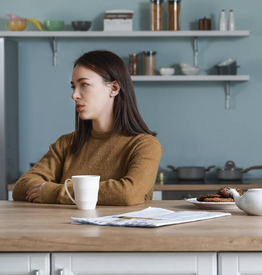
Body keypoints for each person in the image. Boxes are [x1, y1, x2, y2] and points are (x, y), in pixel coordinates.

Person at [13, 50, 163, 206]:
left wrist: (53, 192)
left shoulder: (145, 145)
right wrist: (104, 190)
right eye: (74, 87)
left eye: (84, 84)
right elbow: (22, 187)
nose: (75, 95)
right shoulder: (66, 143)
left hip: (120, 230)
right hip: (67, 229)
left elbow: (127, 193)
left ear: (114, 88)